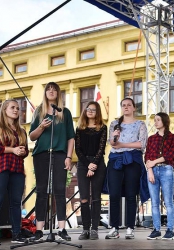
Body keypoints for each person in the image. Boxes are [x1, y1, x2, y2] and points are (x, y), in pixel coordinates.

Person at [29, 82, 75, 241]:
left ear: (58, 93)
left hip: (60, 154)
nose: (51, 91)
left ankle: (62, 229)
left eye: (54, 89)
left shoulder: (65, 113)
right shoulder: (39, 111)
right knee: (41, 191)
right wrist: (41, 127)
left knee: (60, 190)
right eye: (48, 89)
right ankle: (39, 230)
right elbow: (32, 136)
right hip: (41, 154)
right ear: (45, 93)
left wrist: (69, 157)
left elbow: (71, 137)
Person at [105, 97, 149, 239]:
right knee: (114, 194)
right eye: (123, 105)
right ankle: (114, 227)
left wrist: (123, 144)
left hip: (132, 159)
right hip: (116, 159)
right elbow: (112, 143)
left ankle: (130, 227)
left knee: (131, 194)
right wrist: (115, 137)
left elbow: (141, 144)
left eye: (129, 105)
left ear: (134, 108)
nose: (126, 107)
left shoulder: (140, 124)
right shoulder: (114, 124)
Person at [0, 100, 29, 245]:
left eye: (17, 108)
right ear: (4, 110)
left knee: (16, 202)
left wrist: (22, 151)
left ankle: (16, 234)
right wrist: (13, 150)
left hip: (17, 168)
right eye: (12, 108)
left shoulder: (21, 131)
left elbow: (26, 151)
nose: (16, 110)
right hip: (2, 167)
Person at [75, 101, 107, 240]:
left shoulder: (102, 128)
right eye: (88, 109)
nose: (90, 111)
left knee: (96, 198)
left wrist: (93, 164)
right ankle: (85, 229)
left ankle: (94, 229)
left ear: (97, 112)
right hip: (83, 164)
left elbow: (102, 148)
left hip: (98, 163)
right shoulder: (80, 128)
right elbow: (78, 149)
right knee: (83, 198)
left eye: (93, 109)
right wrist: (88, 165)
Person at [145, 112, 174, 240]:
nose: (155, 122)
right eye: (155, 120)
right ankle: (156, 229)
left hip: (166, 170)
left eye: (158, 120)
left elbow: (171, 155)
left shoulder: (172, 137)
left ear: (164, 121)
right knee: (154, 202)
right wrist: (150, 170)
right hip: (153, 171)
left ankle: (170, 230)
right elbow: (147, 156)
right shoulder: (151, 139)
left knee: (168, 201)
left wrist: (154, 162)